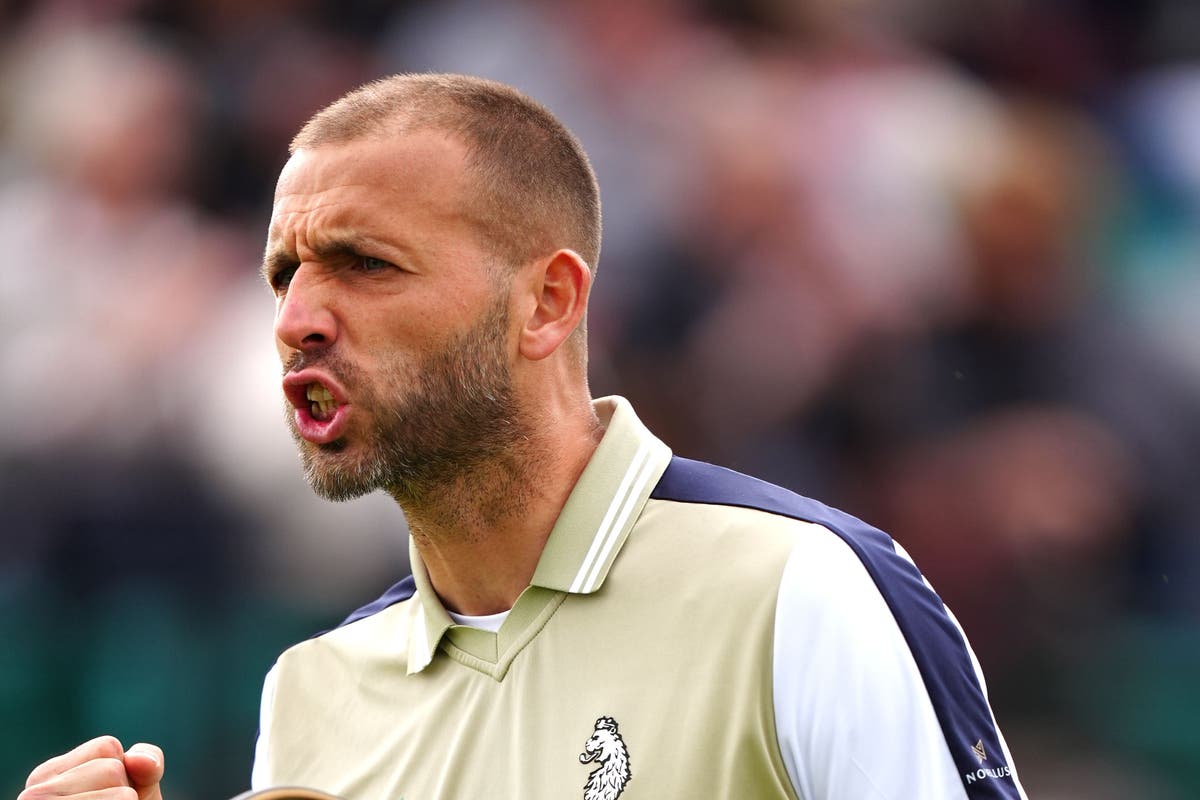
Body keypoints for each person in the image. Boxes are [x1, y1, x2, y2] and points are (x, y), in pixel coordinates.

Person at [19, 73, 1027, 800]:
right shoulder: (312, 689)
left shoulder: (801, 587)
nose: (296, 318)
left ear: (548, 302)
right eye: (285, 273)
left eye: (364, 262)